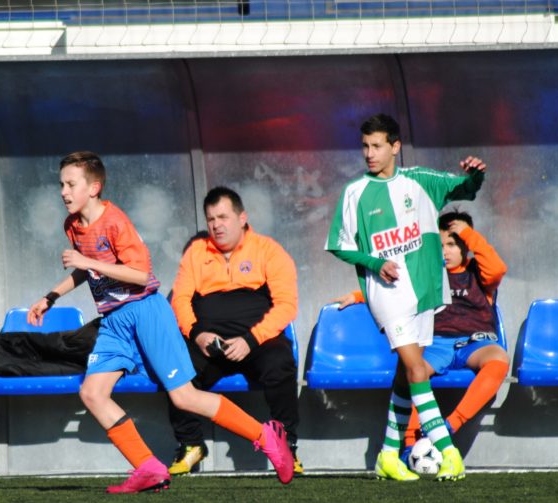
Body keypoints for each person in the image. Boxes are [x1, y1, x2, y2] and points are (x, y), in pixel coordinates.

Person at [27, 151, 295, 493]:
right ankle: (148, 468)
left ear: (93, 188)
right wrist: (51, 296)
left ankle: (266, 435)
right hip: (113, 321)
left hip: (146, 312)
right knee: (92, 393)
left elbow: (139, 275)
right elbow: (88, 267)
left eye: (71, 184)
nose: (63, 191)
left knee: (185, 397)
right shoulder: (72, 226)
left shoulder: (115, 222)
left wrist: (85, 260)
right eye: (61, 184)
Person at [325, 113, 486, 482]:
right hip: (386, 293)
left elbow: (466, 188)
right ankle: (449, 452)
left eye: (377, 145)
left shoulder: (420, 180)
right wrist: (374, 261)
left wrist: (476, 173)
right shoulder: (355, 193)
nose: (369, 153)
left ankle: (387, 455)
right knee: (416, 368)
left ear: (395, 147)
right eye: (365, 146)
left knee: (404, 375)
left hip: (425, 289)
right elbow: (339, 245)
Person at [333, 209, 508, 458]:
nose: (445, 251)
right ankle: (409, 442)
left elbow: (498, 269)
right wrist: (358, 296)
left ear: (466, 246)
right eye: (439, 244)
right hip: (435, 343)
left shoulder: (479, 274)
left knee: (499, 359)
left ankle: (451, 425)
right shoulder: (426, 274)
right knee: (412, 370)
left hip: (474, 343)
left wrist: (468, 233)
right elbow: (393, 290)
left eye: (452, 244)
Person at [167, 186, 301, 476]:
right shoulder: (195, 253)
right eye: (211, 218)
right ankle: (190, 444)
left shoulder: (268, 250)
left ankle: (286, 445)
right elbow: (179, 299)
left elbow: (287, 305)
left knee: (281, 362)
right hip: (208, 344)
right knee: (175, 365)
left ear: (242, 218)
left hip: (256, 342)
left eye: (223, 217)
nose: (216, 225)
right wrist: (196, 334)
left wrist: (251, 340)